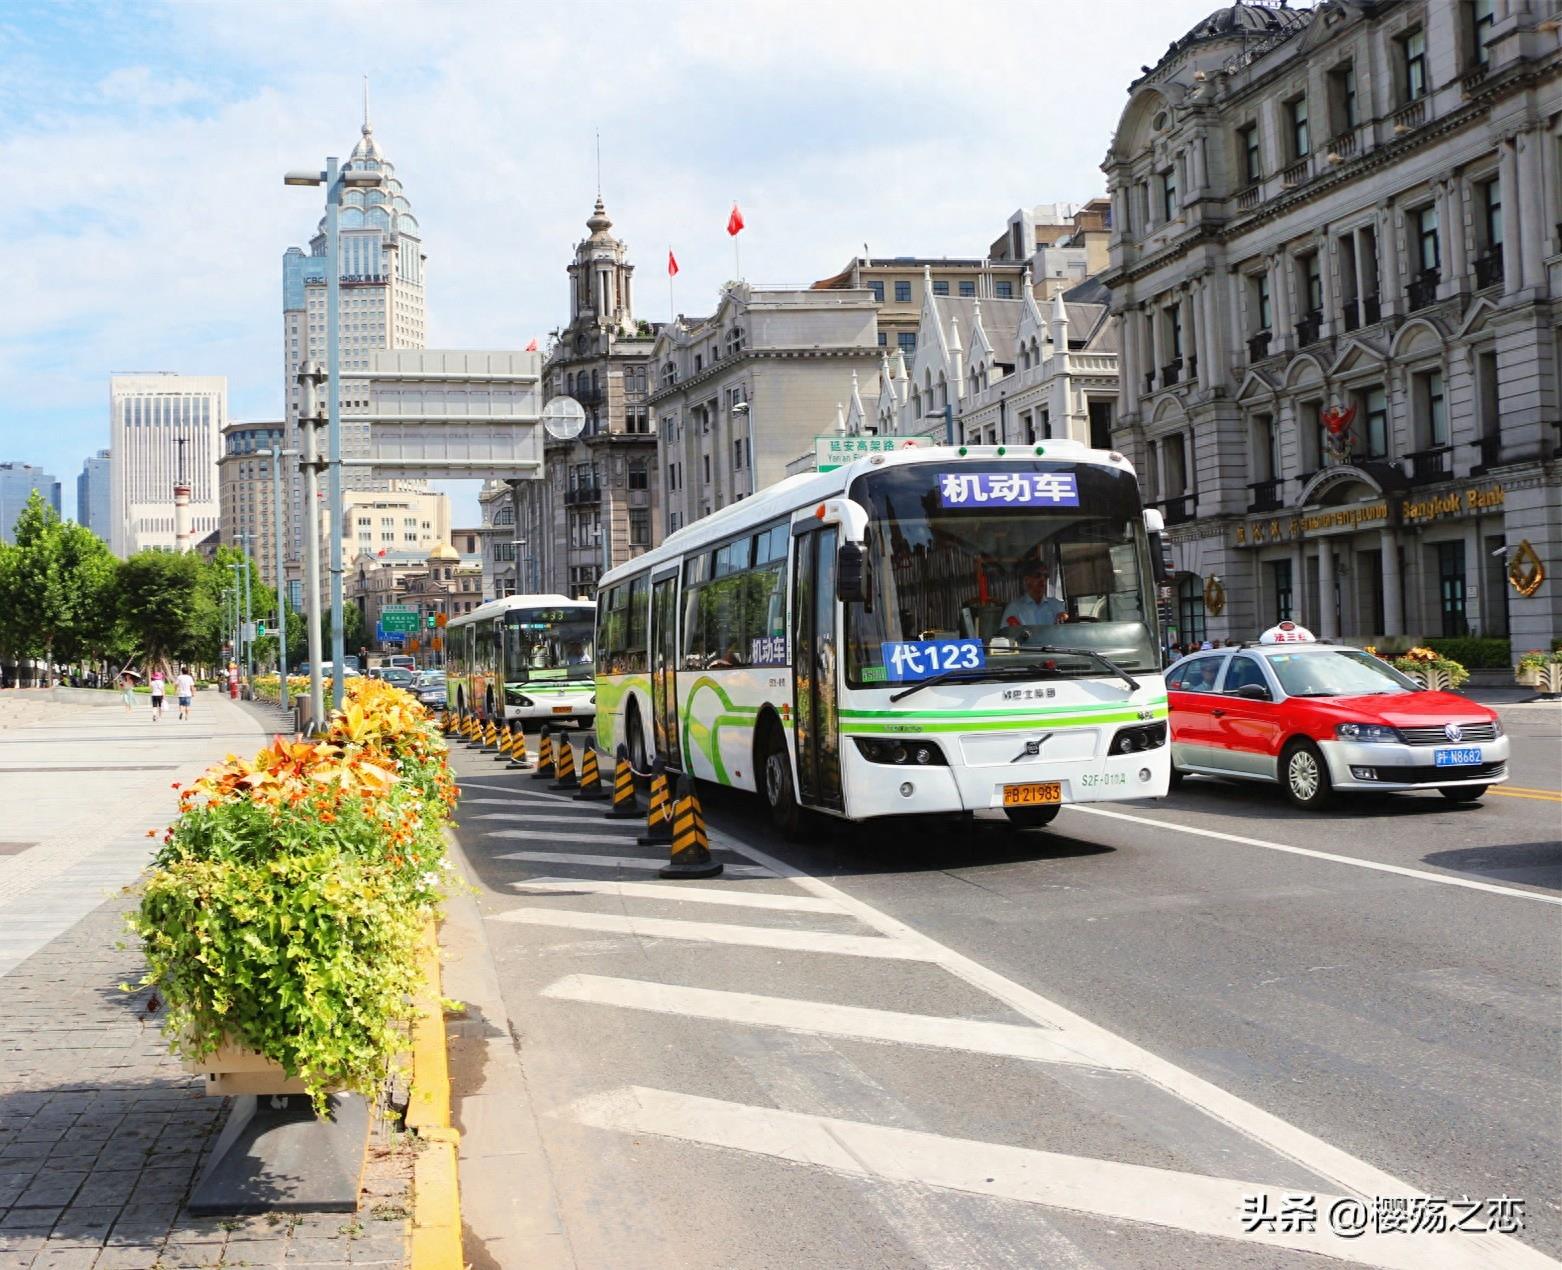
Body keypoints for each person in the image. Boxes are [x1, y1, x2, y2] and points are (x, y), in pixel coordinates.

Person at [1000, 561, 1068, 638]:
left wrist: (1063, 618)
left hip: (1052, 648)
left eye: (1045, 576)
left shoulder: (1056, 605)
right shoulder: (1014, 608)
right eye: (1037, 575)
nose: (1042, 579)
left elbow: (1064, 634)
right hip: (1027, 649)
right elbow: (1006, 636)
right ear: (1027, 580)